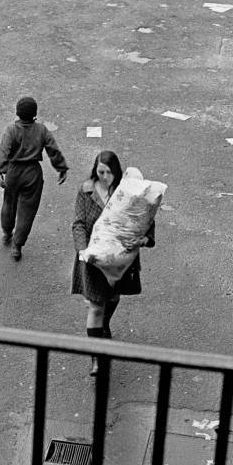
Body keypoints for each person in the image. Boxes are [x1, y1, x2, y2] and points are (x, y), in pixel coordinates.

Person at [71, 150, 155, 375]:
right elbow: (78, 223)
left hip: (120, 260)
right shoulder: (86, 190)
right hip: (94, 258)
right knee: (96, 305)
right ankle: (96, 358)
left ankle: (104, 324)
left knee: (113, 298)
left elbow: (145, 219)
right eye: (101, 172)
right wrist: (83, 250)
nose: (105, 176)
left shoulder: (127, 192)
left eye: (109, 172)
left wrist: (145, 239)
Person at [0, 96, 69, 260]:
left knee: (9, 203)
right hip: (32, 174)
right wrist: (61, 168)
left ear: (17, 113)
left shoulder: (11, 130)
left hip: (13, 172)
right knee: (27, 211)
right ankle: (17, 245)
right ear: (35, 114)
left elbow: (3, 151)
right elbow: (53, 150)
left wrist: (0, 170)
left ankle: (7, 232)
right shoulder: (41, 130)